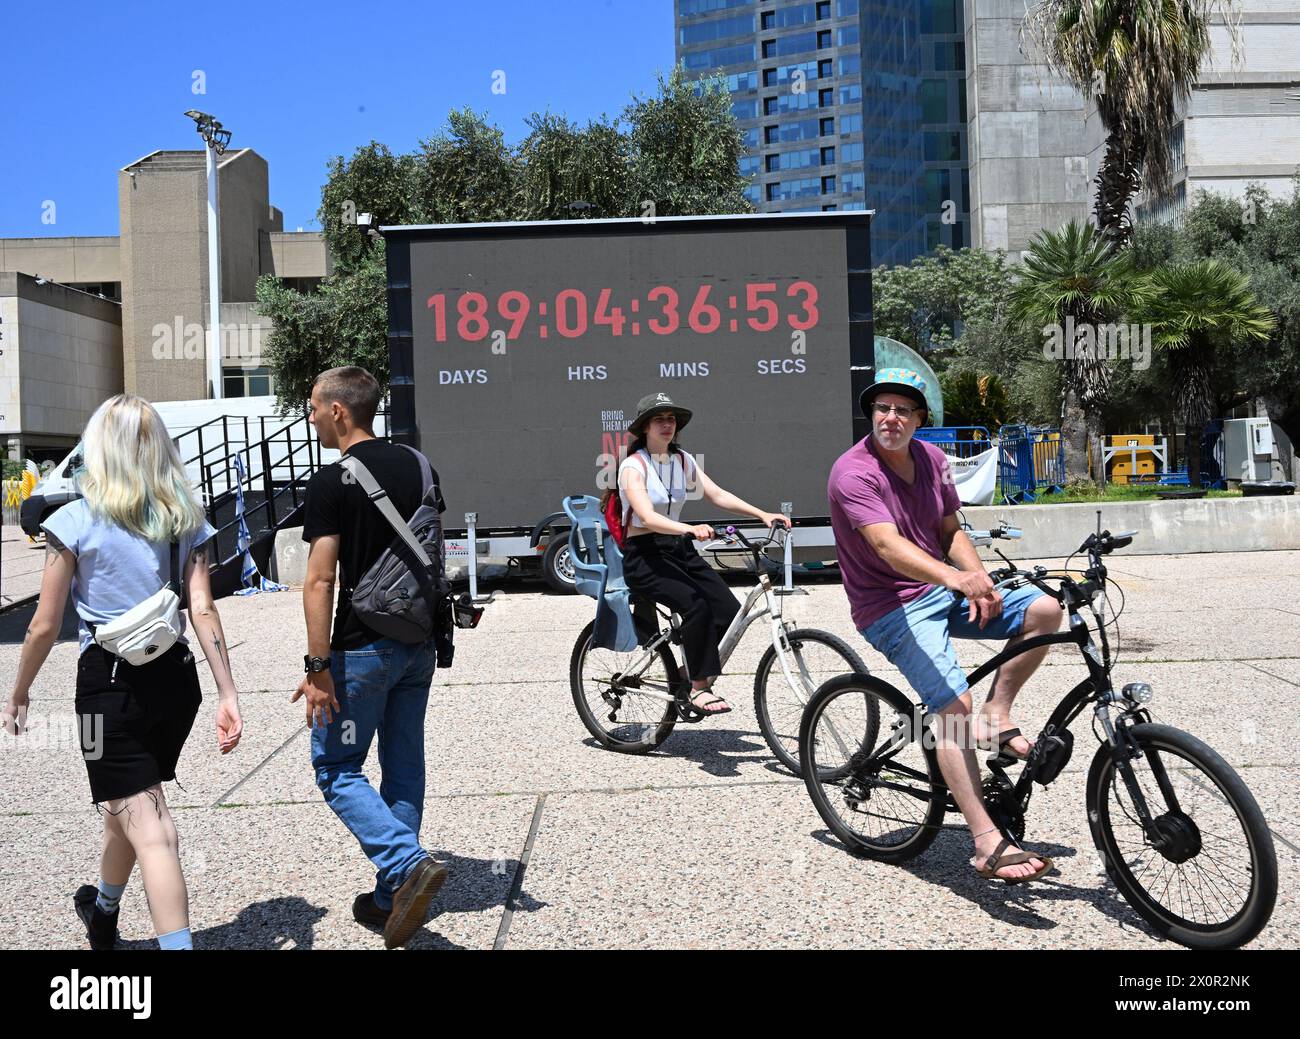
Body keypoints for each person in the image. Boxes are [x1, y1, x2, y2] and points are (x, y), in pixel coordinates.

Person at [0, 394, 243, 950]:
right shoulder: (186, 516)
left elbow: (43, 624)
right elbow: (201, 606)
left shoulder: (72, 521)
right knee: (127, 803)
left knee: (153, 830)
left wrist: (19, 694)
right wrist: (227, 691)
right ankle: (104, 912)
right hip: (178, 685)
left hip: (103, 694)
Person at [827, 369, 1061, 883]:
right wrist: (957, 580)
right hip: (889, 607)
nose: (892, 418)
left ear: (920, 419)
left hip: (941, 588)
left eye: (903, 411)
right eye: (882, 409)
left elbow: (948, 528)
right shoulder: (852, 472)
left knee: (1045, 610)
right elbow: (888, 546)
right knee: (953, 708)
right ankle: (985, 843)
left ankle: (998, 715)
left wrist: (977, 576)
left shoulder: (932, 459)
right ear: (871, 415)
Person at [295, 365, 448, 949]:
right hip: (419, 643)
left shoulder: (333, 481)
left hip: (361, 649)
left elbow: (319, 581)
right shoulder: (420, 465)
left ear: (339, 410)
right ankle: (391, 898)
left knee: (336, 768)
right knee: (404, 762)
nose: (311, 417)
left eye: (313, 406)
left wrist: (317, 669)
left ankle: (406, 865)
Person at [612, 392, 791, 716]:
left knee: (727, 611)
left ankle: (683, 676)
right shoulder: (632, 467)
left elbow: (717, 494)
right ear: (644, 428)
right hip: (645, 555)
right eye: (659, 419)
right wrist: (689, 528)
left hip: (678, 549)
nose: (667, 425)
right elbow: (648, 517)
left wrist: (762, 514)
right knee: (695, 607)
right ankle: (698, 688)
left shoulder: (682, 460)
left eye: (671, 419)